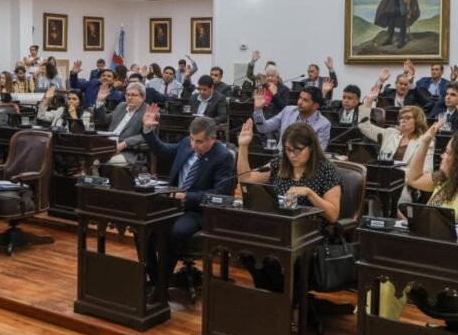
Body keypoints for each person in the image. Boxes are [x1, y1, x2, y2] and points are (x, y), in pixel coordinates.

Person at [337, 122, 458, 335]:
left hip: (453, 269)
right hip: (429, 257)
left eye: (448, 153)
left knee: (388, 280)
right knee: (381, 274)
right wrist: (425, 141)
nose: (443, 156)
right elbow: (412, 178)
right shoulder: (446, 181)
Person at [236, 120, 342, 291]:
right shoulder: (279, 164)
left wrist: (309, 193)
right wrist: (243, 147)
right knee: (247, 252)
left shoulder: (326, 170)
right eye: (288, 150)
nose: (292, 155)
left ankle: (283, 300)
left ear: (311, 148)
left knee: (273, 260)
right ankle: (274, 299)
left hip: (310, 234)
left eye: (297, 150)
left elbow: (333, 214)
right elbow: (246, 179)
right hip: (278, 230)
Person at [141, 108, 235, 280]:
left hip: (197, 211)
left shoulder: (223, 157)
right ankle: (155, 278)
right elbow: (162, 150)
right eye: (192, 139)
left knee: (174, 231)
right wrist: (148, 130)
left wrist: (186, 197)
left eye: (199, 141)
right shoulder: (186, 143)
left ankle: (162, 282)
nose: (194, 145)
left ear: (213, 138)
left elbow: (220, 194)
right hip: (172, 204)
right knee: (142, 224)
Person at [358, 83, 429, 164]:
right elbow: (364, 126)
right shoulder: (390, 133)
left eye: (407, 118)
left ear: (417, 121)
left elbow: (427, 169)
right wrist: (369, 101)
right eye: (401, 118)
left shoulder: (424, 141)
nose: (403, 120)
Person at [253, 85, 332, 150]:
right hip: (281, 159)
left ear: (315, 106)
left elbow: (318, 152)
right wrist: (258, 109)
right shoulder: (288, 111)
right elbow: (263, 128)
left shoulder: (323, 124)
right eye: (300, 98)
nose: (300, 102)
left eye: (305, 100)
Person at [93, 81, 146, 164]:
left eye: (133, 95)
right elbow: (103, 121)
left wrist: (124, 143)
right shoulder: (121, 106)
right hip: (107, 146)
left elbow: (145, 135)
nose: (130, 97)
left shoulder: (147, 112)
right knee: (87, 156)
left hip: (126, 151)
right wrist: (100, 101)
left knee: (96, 161)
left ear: (143, 97)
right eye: (127, 95)